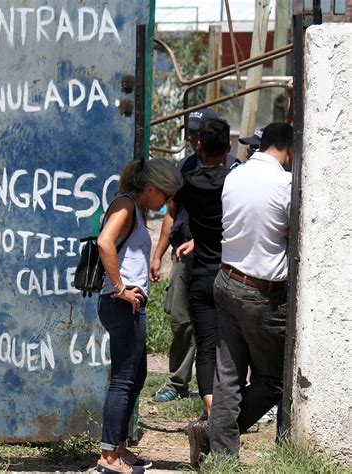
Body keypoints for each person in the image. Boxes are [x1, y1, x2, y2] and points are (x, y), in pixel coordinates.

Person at [188, 122, 294, 467]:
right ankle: (212, 435)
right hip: (261, 294)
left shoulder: (235, 175)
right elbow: (294, 234)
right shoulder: (285, 185)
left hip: (226, 280)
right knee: (276, 378)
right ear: (290, 150)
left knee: (228, 374)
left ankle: (221, 453)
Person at [96, 158, 182, 473]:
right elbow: (105, 242)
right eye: (166, 195)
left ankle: (119, 447)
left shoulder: (134, 206)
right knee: (122, 379)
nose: (166, 203)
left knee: (136, 376)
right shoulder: (125, 205)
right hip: (121, 303)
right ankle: (108, 456)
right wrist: (120, 287)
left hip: (129, 302)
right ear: (150, 189)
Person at [150, 108, 218, 403]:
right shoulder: (184, 168)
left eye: (197, 134)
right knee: (180, 319)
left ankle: (217, 388)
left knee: (217, 325)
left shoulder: (229, 168)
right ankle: (178, 382)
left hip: (214, 257)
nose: (192, 140)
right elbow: (171, 214)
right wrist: (158, 255)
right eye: (190, 134)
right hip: (182, 255)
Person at [173, 119, 231, 425]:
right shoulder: (235, 182)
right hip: (233, 276)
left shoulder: (189, 183)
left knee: (206, 347)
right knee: (233, 349)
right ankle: (229, 411)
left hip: (203, 275)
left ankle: (210, 411)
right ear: (229, 147)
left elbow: (172, 211)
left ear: (198, 146)